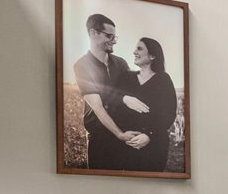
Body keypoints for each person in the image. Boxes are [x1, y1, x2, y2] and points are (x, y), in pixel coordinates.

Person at [72, 13, 147, 169]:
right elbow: (98, 107)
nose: (114, 41)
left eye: (115, 37)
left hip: (126, 137)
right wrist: (119, 134)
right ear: (93, 33)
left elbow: (134, 92)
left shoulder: (121, 63)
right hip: (100, 140)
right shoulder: (82, 66)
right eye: (109, 36)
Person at [124, 37, 178, 172]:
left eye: (139, 49)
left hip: (154, 146)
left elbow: (169, 114)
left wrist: (150, 136)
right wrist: (123, 98)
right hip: (127, 144)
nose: (134, 52)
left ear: (152, 56)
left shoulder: (164, 80)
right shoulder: (126, 77)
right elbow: (111, 98)